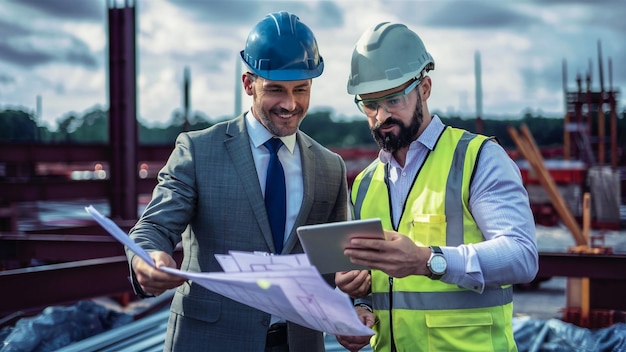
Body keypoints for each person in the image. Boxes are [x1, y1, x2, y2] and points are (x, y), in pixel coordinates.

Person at [125, 11, 348, 352]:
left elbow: (337, 269)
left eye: (301, 89)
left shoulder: (330, 167)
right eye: (275, 90)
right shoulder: (198, 150)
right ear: (248, 84)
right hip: (209, 341)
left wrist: (358, 300)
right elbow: (152, 227)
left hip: (297, 343)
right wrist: (148, 258)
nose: (290, 104)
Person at [334, 22, 538, 352]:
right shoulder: (365, 184)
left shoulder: (477, 159)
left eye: (394, 99)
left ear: (424, 88)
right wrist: (357, 308)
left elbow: (522, 256)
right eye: (369, 104)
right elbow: (379, 290)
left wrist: (427, 261)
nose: (381, 115)